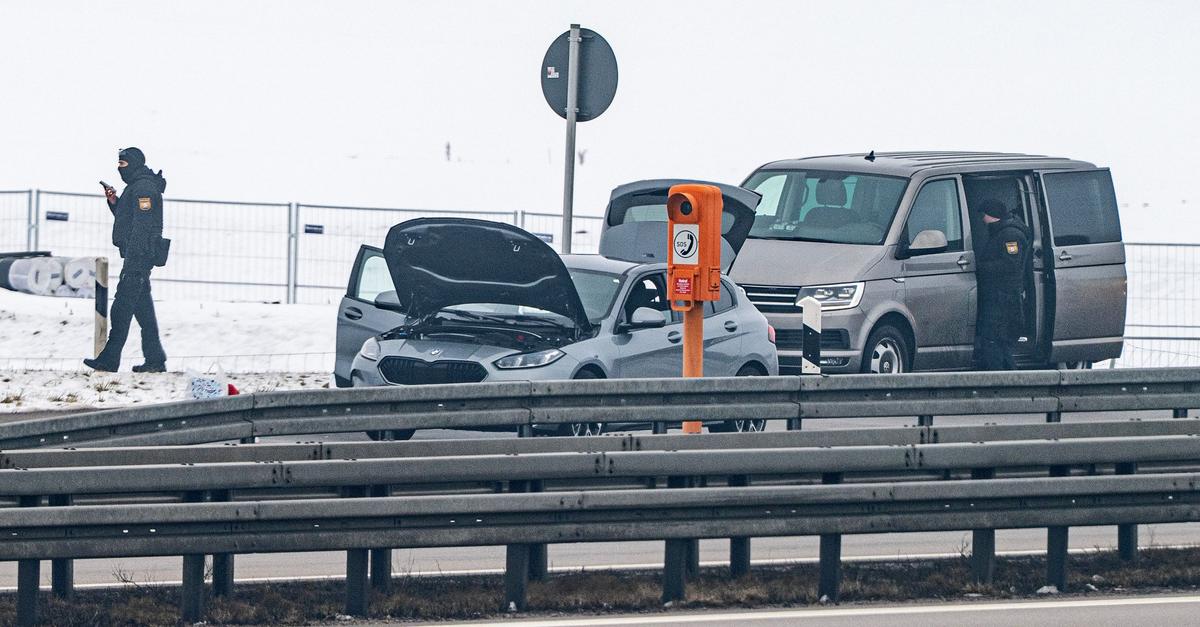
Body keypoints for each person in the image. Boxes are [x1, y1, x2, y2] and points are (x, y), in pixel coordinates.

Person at [84, 147, 169, 373]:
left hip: (138, 258)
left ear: (134, 163)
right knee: (144, 313)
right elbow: (130, 219)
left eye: (123, 164)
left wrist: (134, 259)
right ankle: (155, 360)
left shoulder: (143, 188)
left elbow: (143, 225)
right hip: (137, 257)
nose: (119, 168)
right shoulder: (136, 186)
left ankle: (109, 360)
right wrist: (115, 202)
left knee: (121, 309)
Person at [974, 198, 1031, 371]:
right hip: (999, 295)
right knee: (997, 342)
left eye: (984, 215)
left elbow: (1010, 265)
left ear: (992, 215)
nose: (983, 219)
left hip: (1004, 297)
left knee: (994, 339)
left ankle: (1002, 379)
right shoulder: (1001, 232)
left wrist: (980, 267)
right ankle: (1010, 379)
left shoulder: (1010, 235)